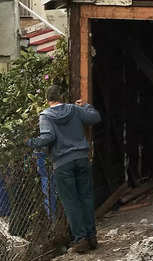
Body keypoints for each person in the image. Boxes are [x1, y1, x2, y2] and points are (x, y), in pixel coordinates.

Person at [27, 85, 101, 254]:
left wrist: (30, 142)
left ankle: (81, 239)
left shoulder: (45, 116)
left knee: (71, 202)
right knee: (86, 198)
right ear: (61, 97)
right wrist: (86, 106)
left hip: (62, 163)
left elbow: (48, 137)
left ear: (48, 100)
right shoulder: (74, 109)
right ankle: (92, 237)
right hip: (82, 159)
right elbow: (95, 118)